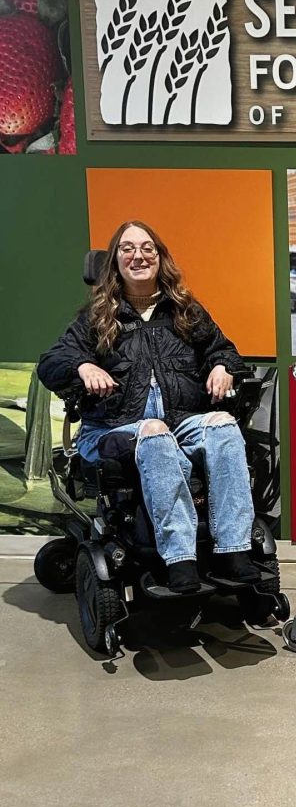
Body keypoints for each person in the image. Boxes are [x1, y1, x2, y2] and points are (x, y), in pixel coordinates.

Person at [37, 221, 260, 594]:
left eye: (147, 248)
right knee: (154, 432)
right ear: (115, 261)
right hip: (114, 428)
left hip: (180, 422)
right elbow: (50, 363)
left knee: (223, 425)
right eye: (127, 248)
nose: (137, 255)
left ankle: (234, 550)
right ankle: (179, 558)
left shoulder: (184, 311)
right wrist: (83, 365)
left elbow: (223, 349)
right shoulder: (96, 318)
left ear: (160, 258)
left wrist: (223, 367)